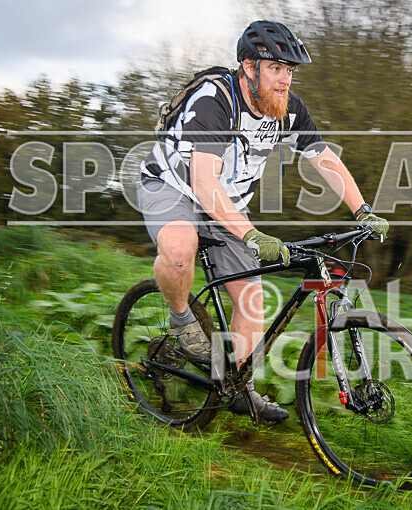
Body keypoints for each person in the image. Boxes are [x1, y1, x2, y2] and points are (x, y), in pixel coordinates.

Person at [137, 20, 389, 423]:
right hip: (173, 187)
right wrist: (252, 234)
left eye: (290, 70)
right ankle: (182, 320)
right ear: (249, 67)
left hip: (227, 204)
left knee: (251, 300)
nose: (284, 80)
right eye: (275, 68)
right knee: (180, 250)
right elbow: (203, 183)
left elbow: (324, 158)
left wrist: (363, 210)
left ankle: (241, 389)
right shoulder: (215, 101)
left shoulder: (288, 109)